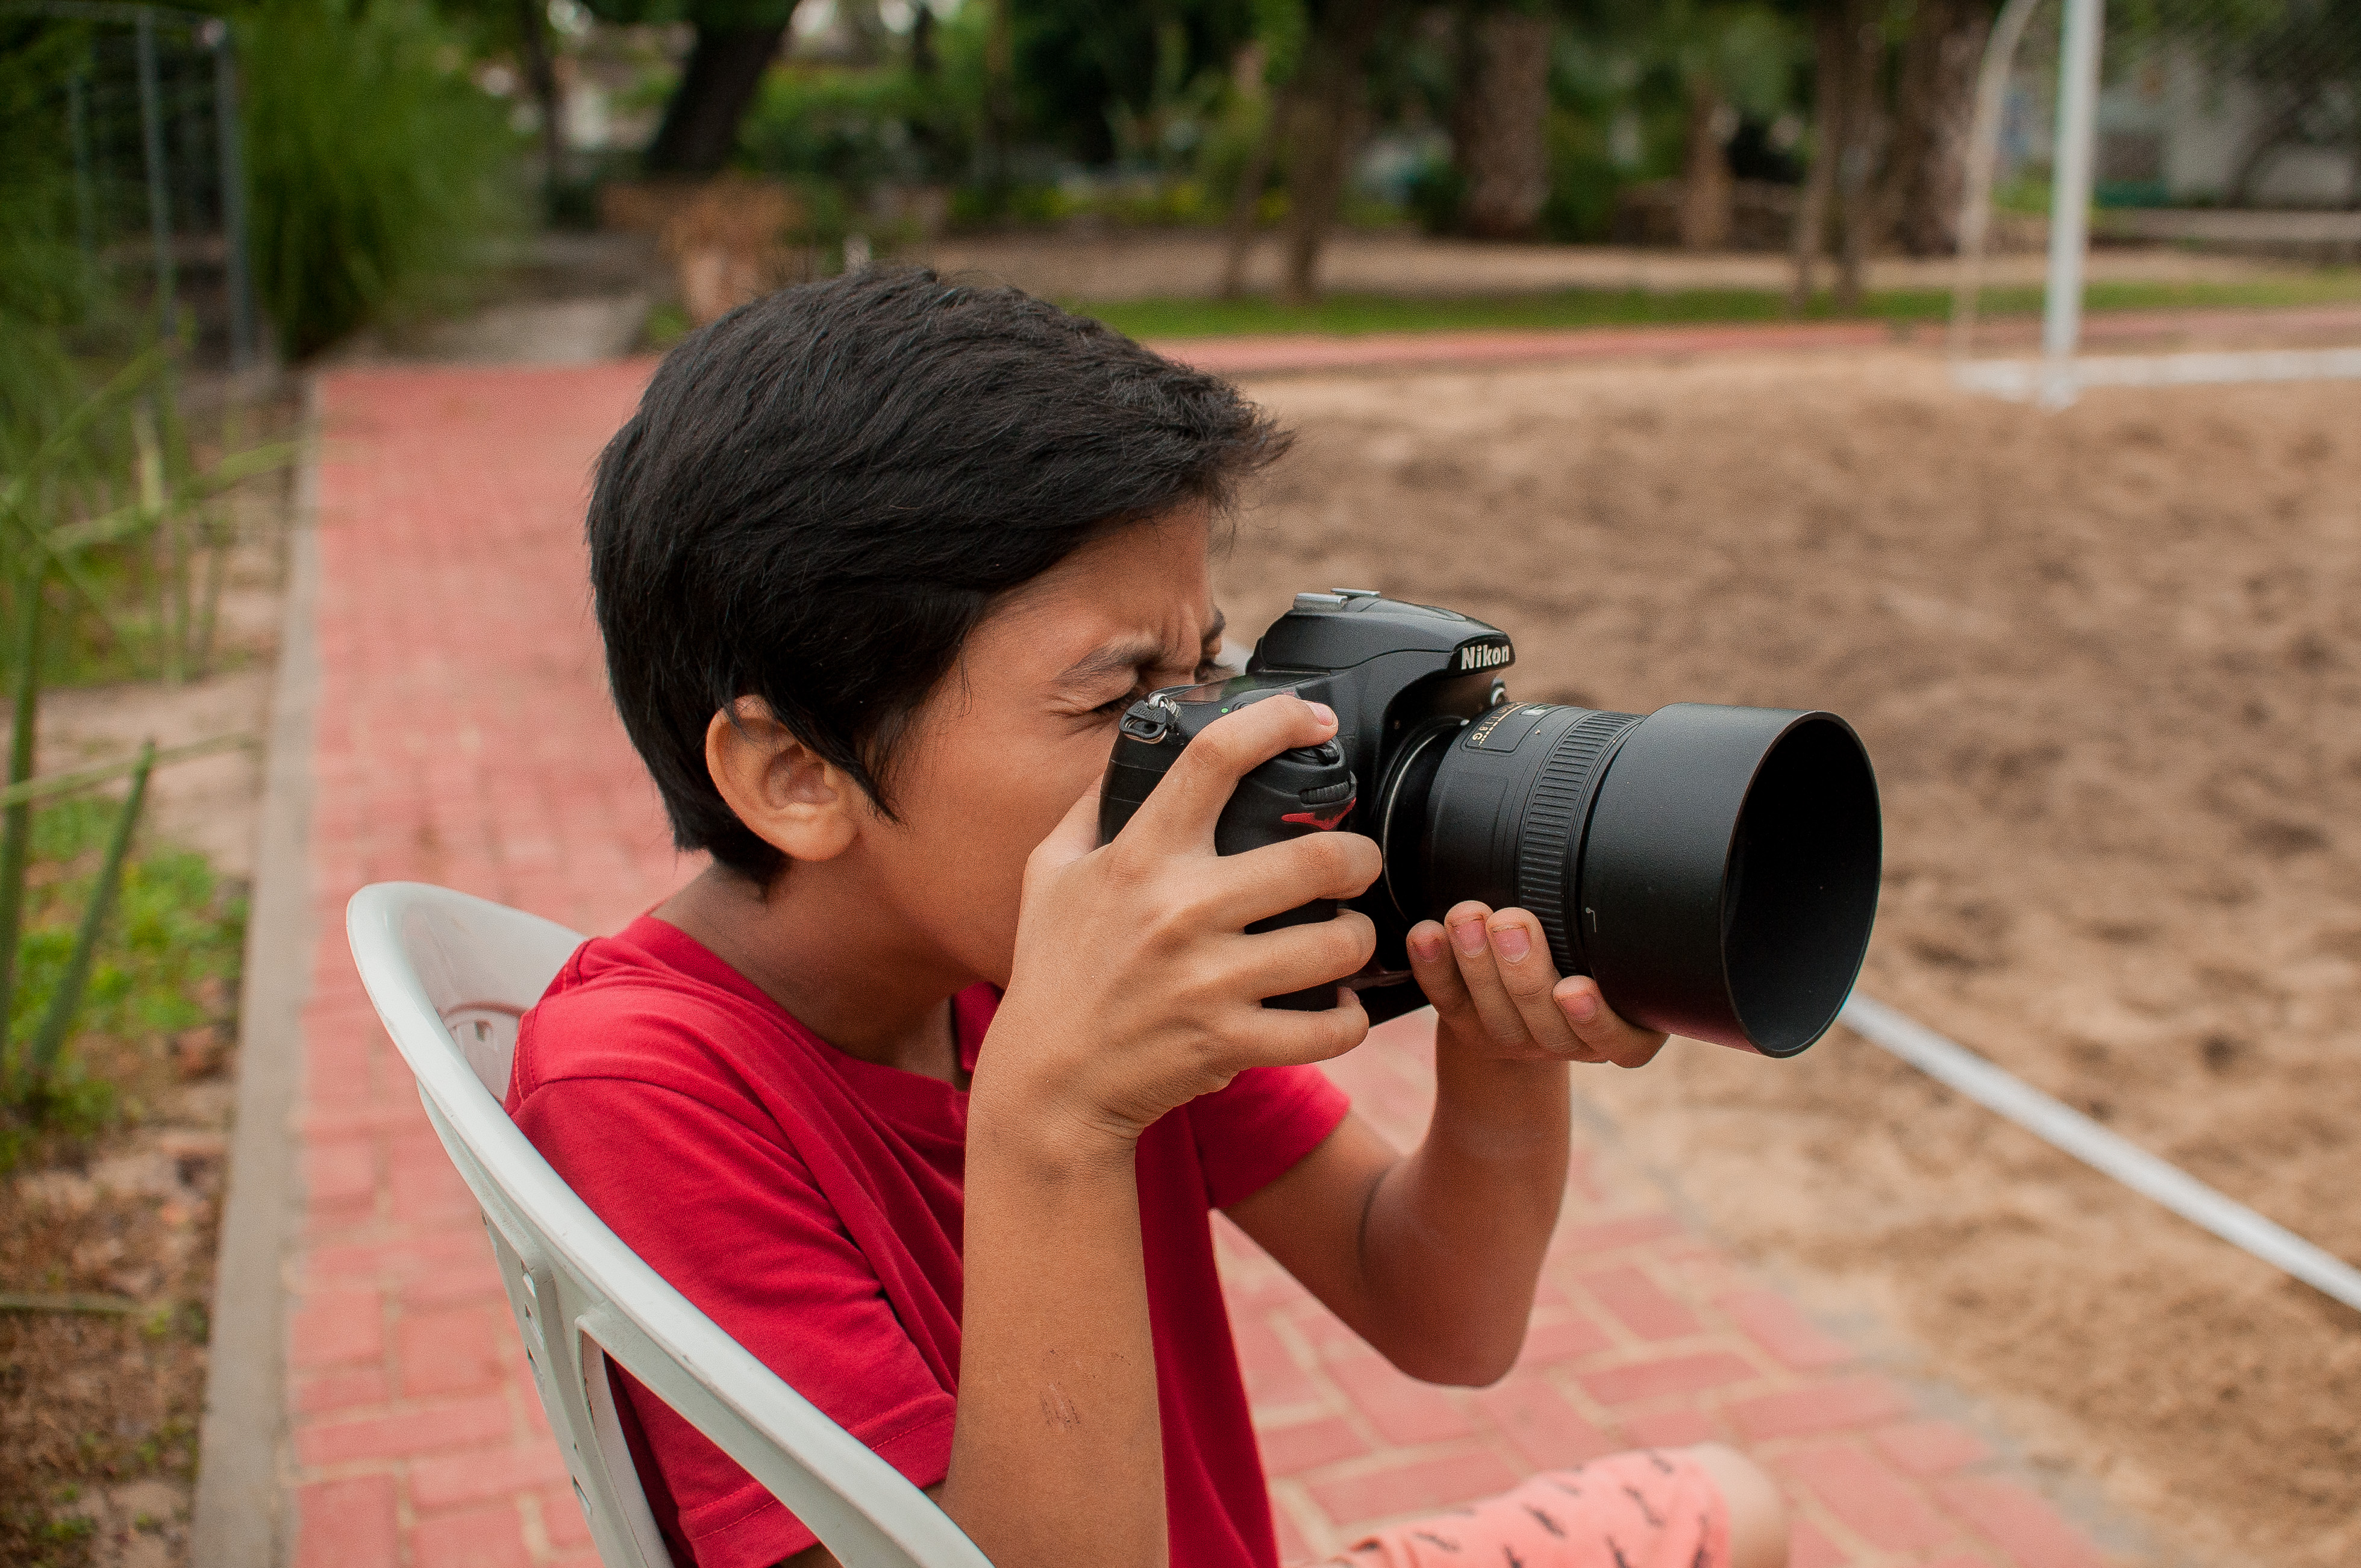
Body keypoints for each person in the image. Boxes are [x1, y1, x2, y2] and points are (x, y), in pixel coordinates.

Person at [508, 268, 1789, 1568]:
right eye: (1123, 699)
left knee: (1732, 1508)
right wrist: (1060, 1114)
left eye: (1207, 669)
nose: (1208, 745)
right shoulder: (639, 1087)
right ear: (797, 774)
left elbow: (1444, 1314)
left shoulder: (1034, 949)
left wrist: (1500, 1040)